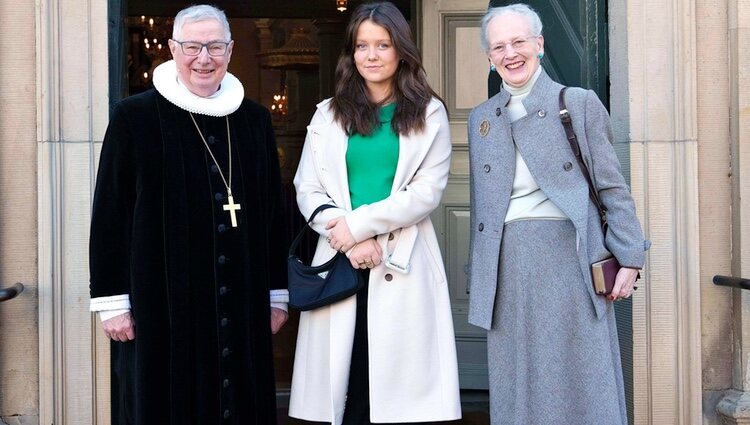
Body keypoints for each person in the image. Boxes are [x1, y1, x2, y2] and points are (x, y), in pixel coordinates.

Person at [88, 5, 288, 424]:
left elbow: (273, 214)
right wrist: (112, 303)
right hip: (160, 301)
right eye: (193, 46)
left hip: (242, 299)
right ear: (172, 49)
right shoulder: (134, 117)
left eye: (215, 46)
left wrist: (276, 294)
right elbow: (110, 215)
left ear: (230, 50)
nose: (204, 58)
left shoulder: (253, 120)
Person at [467, 4, 649, 425]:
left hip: (571, 258)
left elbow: (611, 187)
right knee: (518, 379)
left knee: (580, 378)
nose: (510, 53)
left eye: (518, 42)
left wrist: (631, 258)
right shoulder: (482, 120)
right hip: (506, 267)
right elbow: (482, 208)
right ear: (489, 57)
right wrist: (479, 274)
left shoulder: (578, 104)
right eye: (499, 46)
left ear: (539, 44)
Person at [288, 2, 461, 424]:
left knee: (397, 388)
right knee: (346, 382)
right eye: (362, 46)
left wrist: (358, 227)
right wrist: (347, 237)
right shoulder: (328, 114)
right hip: (339, 255)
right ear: (351, 53)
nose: (371, 55)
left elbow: (425, 192)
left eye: (382, 45)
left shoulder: (428, 113)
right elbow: (306, 186)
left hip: (401, 260)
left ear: (401, 50)